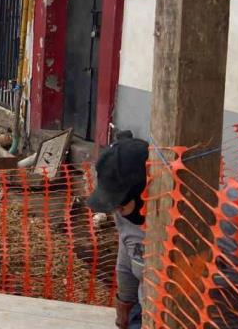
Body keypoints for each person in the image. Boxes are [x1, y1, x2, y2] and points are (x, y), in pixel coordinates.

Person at [86, 134, 149, 329]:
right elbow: (126, 265)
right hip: (142, 307)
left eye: (120, 206)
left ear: (141, 193)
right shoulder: (125, 214)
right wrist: (124, 310)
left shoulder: (179, 221)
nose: (116, 212)